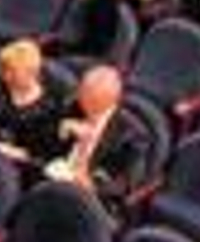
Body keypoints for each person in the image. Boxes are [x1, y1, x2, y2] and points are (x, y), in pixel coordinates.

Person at [44, 65, 151, 218]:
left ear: (108, 101)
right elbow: (46, 143)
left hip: (93, 202)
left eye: (89, 98)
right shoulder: (74, 105)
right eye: (82, 92)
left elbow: (126, 184)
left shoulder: (133, 135)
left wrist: (90, 185)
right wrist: (62, 130)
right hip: (55, 180)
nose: (80, 99)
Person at [0, 39, 65, 168]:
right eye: (4, 69)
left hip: (22, 166)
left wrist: (9, 151)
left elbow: (42, 155)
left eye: (12, 71)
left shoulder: (50, 108)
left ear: (32, 72)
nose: (6, 76)